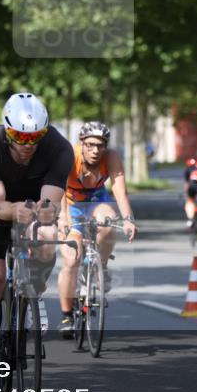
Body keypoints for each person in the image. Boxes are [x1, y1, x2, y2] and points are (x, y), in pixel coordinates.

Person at [0, 93, 74, 392]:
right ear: (6, 130)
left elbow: (49, 208)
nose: (27, 145)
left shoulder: (58, 147)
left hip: (34, 202)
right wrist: (16, 210)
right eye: (18, 136)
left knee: (48, 235)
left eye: (35, 137)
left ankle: (35, 292)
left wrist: (42, 214)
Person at [55, 122, 138, 338]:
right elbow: (60, 188)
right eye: (90, 145)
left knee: (108, 222)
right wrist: (62, 218)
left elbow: (120, 189)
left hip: (95, 200)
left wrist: (128, 219)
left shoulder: (110, 157)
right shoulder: (69, 155)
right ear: (81, 143)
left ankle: (100, 267)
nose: (95, 151)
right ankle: (66, 315)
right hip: (71, 204)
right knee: (71, 259)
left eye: (100, 146)